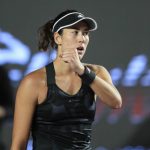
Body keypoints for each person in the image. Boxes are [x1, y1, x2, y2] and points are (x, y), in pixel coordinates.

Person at [11, 9, 122, 150]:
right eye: (75, 32)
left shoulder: (97, 72)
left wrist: (82, 71)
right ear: (58, 38)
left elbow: (116, 102)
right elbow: (19, 142)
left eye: (85, 33)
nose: (82, 38)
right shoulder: (33, 82)